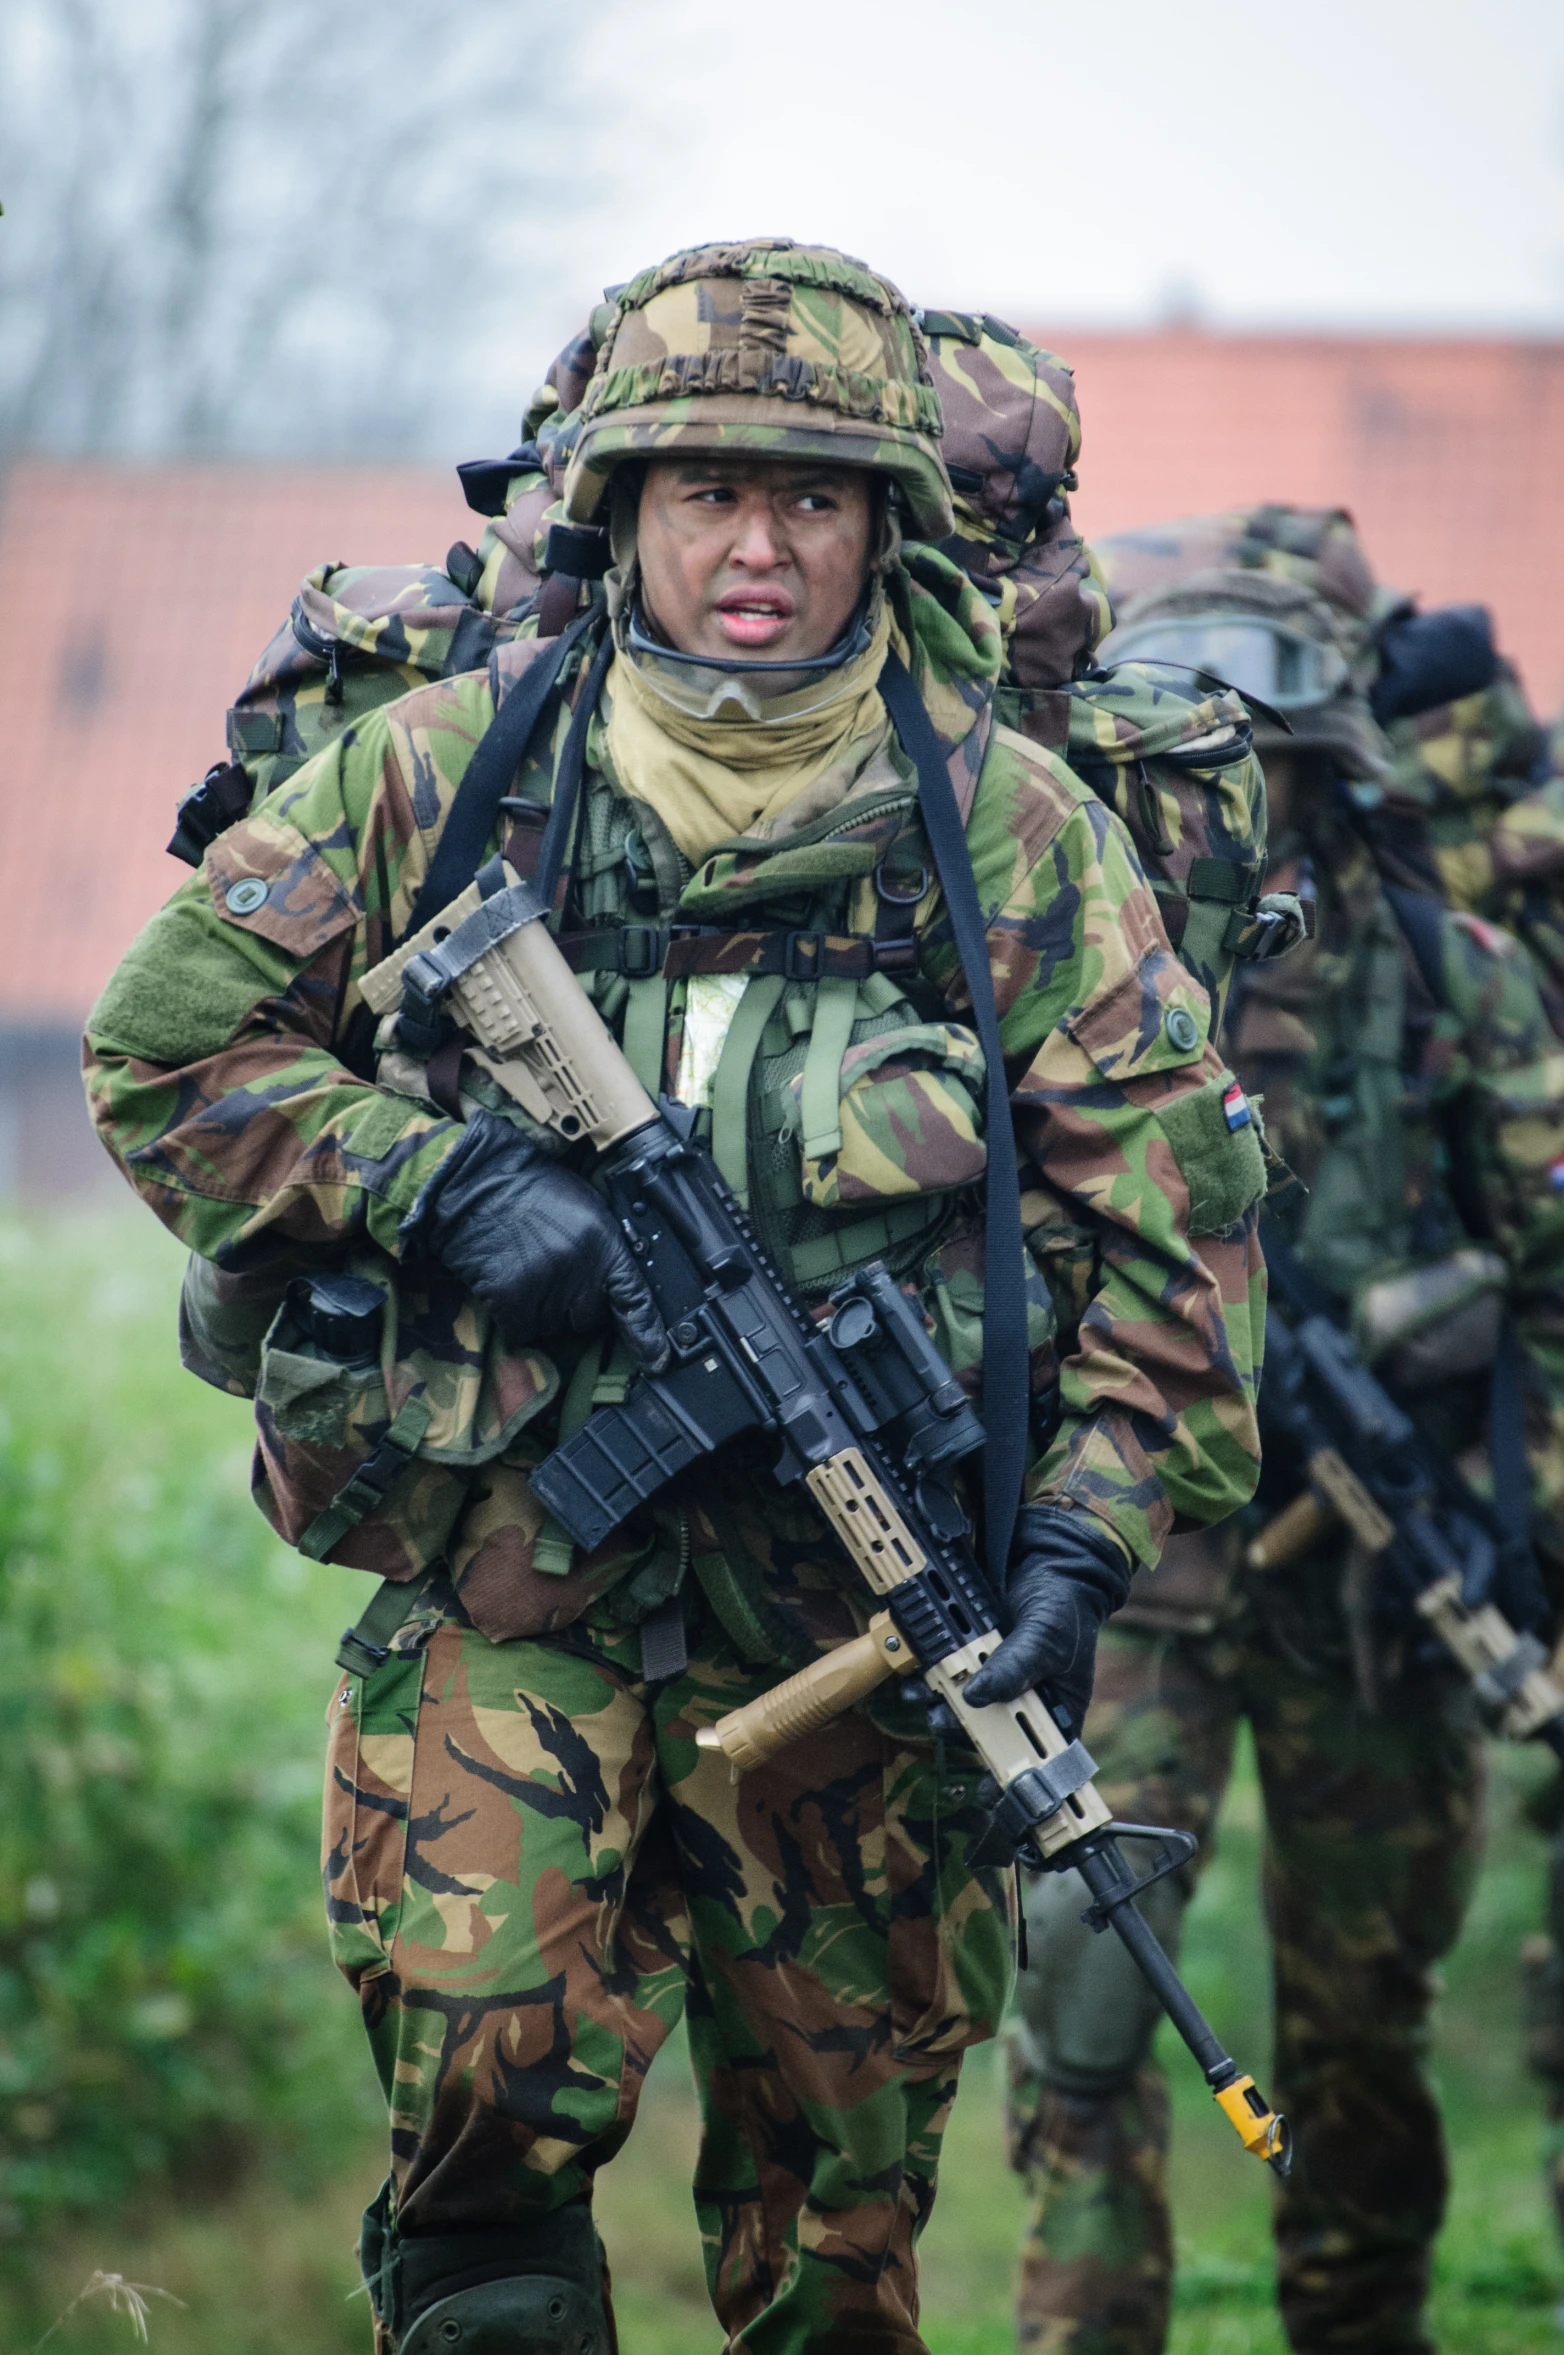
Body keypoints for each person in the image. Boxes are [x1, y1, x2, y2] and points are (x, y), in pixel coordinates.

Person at [82, 241, 1267, 2355]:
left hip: (860, 1638)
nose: (754, 546)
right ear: (618, 508)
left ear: (881, 529)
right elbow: (163, 1046)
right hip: (511, 1574)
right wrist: (427, 1182)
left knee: (839, 2225)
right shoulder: (449, 768)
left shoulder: (1012, 838)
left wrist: (1080, 1545)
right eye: (702, 491)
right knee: (478, 2108)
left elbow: (1183, 1243)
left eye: (808, 498)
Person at [1007, 507, 1564, 2355]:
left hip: (1371, 1605)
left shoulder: (1452, 972)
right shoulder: (1078, 948)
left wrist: (1503, 1475)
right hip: (1130, 1561)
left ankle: (1362, 2324)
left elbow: (1552, 1268)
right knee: (1084, 2004)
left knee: (1360, 2031)